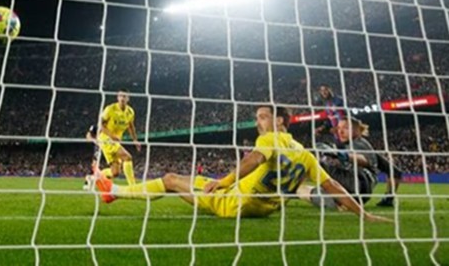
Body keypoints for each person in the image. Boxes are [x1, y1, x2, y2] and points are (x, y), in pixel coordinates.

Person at [94, 105, 389, 223]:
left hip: (234, 203)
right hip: (266, 209)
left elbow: (253, 159)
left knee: (171, 179)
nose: (257, 121)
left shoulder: (269, 140)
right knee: (189, 180)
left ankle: (114, 192)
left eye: (262, 115)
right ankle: (115, 189)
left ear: (280, 121)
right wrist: (364, 214)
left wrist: (223, 182)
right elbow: (333, 185)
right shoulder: (306, 154)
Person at [297, 117, 378, 209]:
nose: (340, 131)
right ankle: (340, 203)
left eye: (346, 128)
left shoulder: (359, 143)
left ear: (357, 131)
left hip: (359, 184)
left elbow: (363, 159)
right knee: (301, 190)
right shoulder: (348, 145)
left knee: (320, 150)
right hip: (354, 192)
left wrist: (339, 154)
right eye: (339, 128)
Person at [96, 90, 141, 186]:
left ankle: (95, 176)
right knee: (127, 157)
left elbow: (131, 126)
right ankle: (133, 186)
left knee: (115, 172)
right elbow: (101, 125)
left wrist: (135, 140)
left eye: (124, 96)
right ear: (117, 97)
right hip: (105, 138)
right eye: (120, 96)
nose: (122, 98)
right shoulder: (110, 109)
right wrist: (112, 136)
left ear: (128, 98)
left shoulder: (130, 112)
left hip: (115, 141)